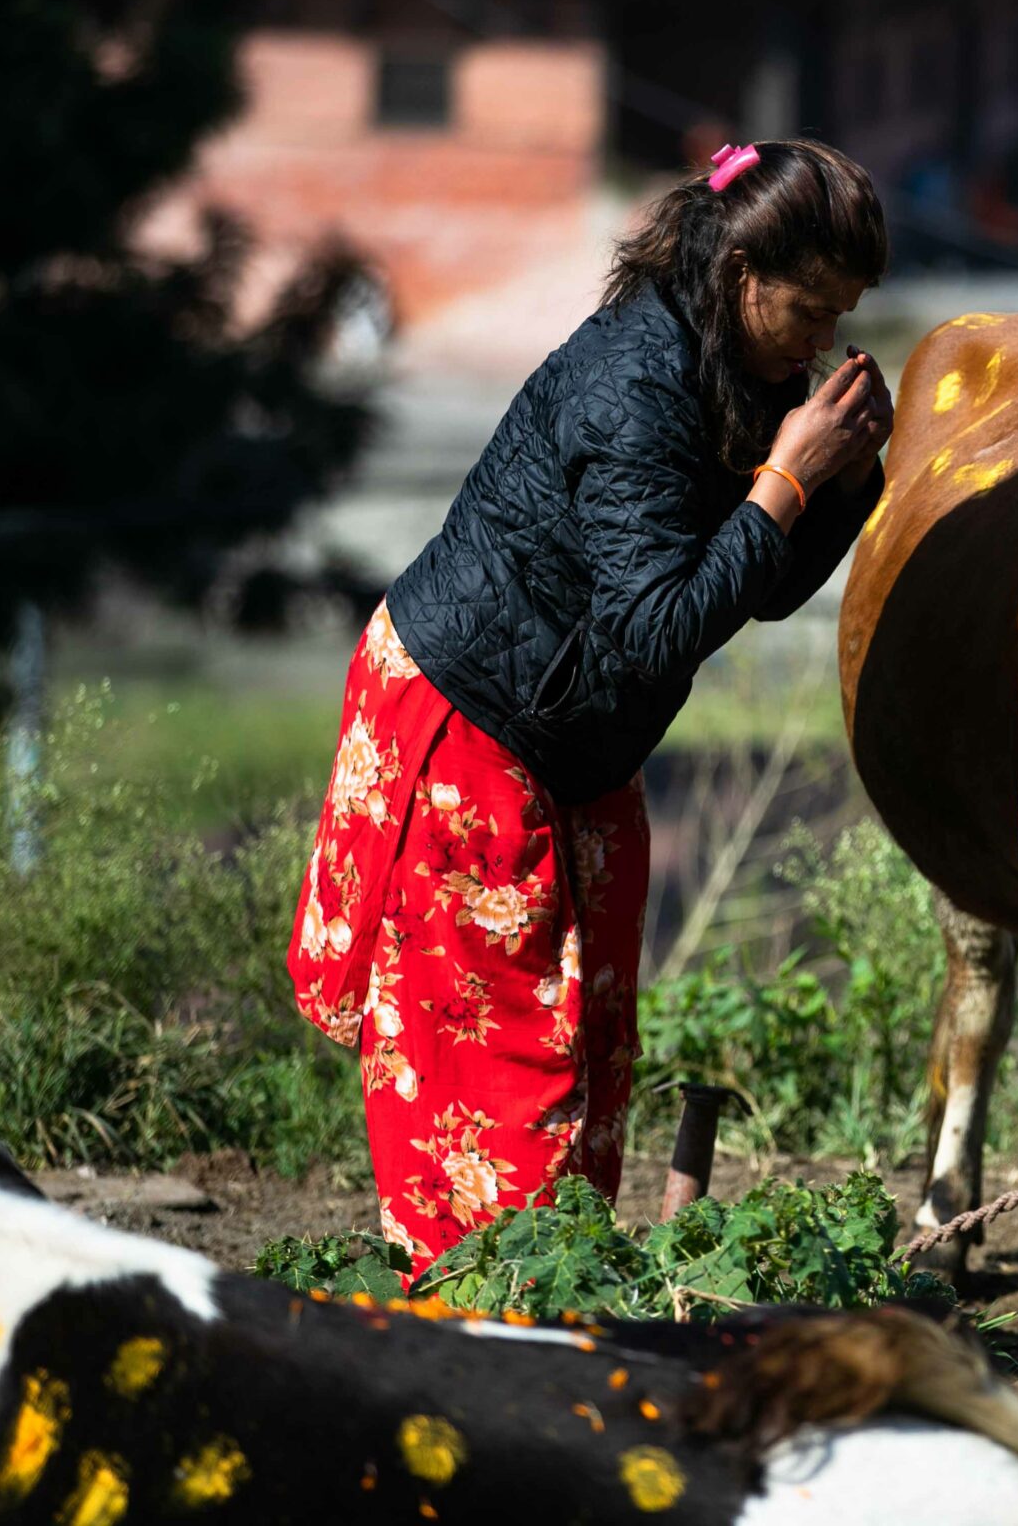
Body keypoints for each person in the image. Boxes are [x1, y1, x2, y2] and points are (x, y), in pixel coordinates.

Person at [285, 140, 892, 1271]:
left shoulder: (743, 366)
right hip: (473, 725)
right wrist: (786, 482)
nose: (821, 342)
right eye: (809, 309)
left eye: (840, 317)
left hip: (574, 736)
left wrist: (841, 481)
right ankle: (478, 1317)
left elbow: (751, 589)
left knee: (588, 1037)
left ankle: (558, 1297)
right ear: (741, 273)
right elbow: (657, 628)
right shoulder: (634, 388)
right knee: (500, 1078)